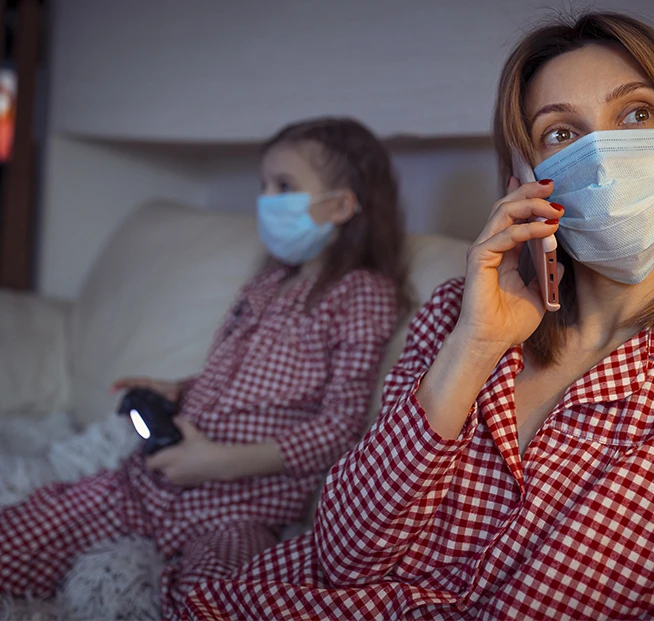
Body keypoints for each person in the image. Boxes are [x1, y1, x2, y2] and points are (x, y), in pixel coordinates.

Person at [185, 12, 654, 620]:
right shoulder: (457, 313)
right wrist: (474, 346)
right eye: (561, 134)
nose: (602, 155)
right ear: (526, 182)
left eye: (635, 114)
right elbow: (344, 556)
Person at [0, 117, 408, 619]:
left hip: (239, 506)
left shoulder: (361, 293)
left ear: (341, 206)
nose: (265, 200)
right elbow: (233, 379)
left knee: (217, 600)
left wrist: (218, 462)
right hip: (150, 481)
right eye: (263, 185)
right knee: (25, 530)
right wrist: (177, 389)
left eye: (283, 186)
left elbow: (339, 427)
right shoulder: (266, 283)